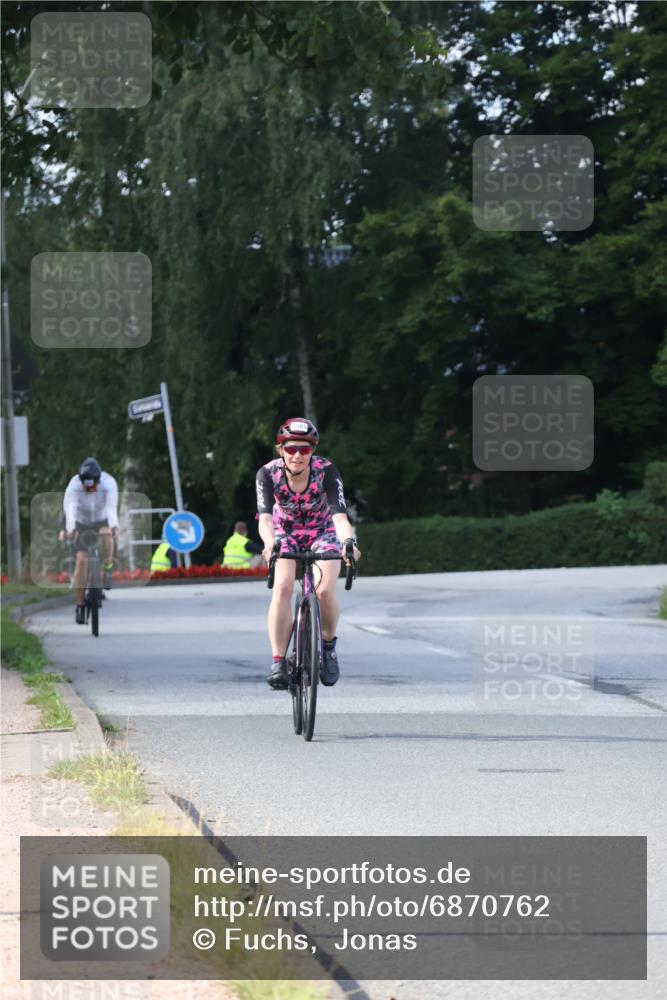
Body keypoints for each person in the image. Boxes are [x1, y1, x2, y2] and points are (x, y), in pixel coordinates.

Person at [256, 417, 361, 690]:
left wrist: (348, 541)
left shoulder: (326, 471)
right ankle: (278, 661)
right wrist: (269, 543)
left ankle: (328, 647)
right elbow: (265, 518)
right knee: (281, 587)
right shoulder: (267, 474)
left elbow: (339, 516)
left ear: (313, 450)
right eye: (291, 449)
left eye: (305, 449)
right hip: (284, 532)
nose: (298, 455)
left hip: (322, 531)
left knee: (325, 591)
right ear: (280, 450)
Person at [61, 458, 119, 624]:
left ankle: (107, 568)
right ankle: (79, 606)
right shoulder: (73, 486)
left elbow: (111, 507)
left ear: (98, 481)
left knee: (107, 534)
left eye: (92, 486)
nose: (89, 489)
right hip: (82, 521)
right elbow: (70, 509)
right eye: (86, 486)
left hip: (102, 519)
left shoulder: (109, 484)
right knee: (81, 561)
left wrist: (114, 526)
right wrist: (71, 529)